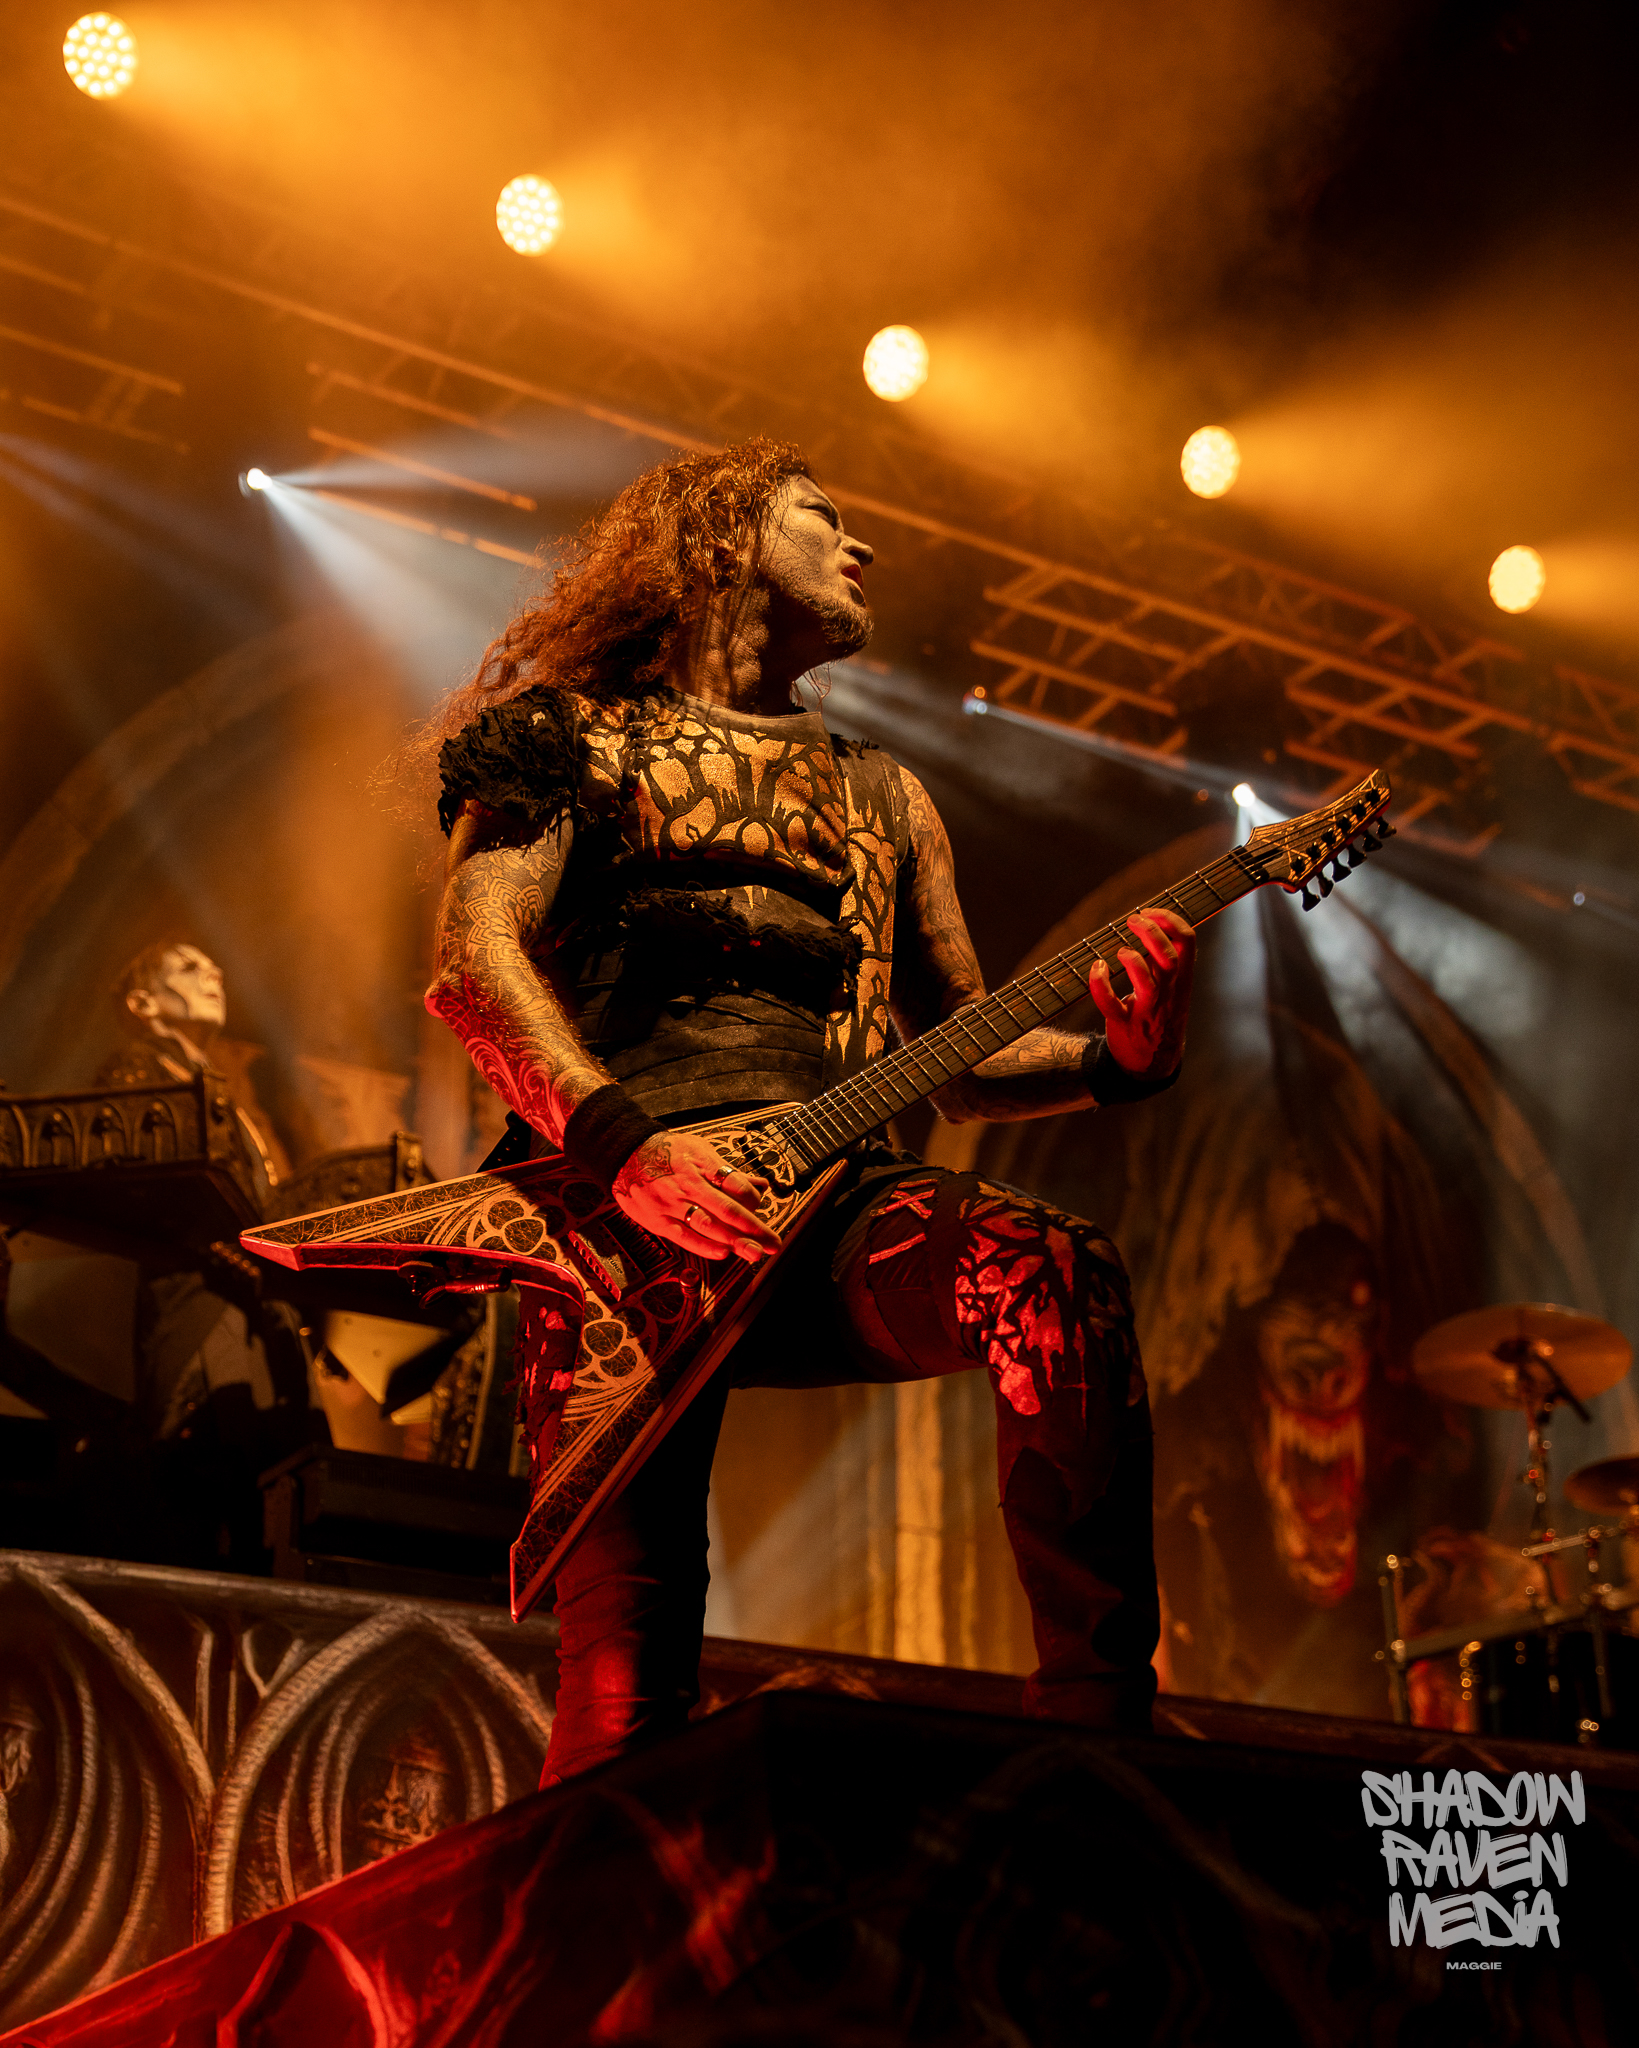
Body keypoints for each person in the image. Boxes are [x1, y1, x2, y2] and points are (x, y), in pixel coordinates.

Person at [422, 439, 1196, 1782]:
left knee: (1056, 1274)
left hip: (835, 1211)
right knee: (623, 1687)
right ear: (720, 546)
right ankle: (602, 1959)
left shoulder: (887, 794)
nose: (865, 546)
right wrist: (625, 1146)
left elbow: (957, 1059)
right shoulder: (566, 743)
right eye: (824, 518)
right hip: (613, 1227)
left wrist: (1120, 1059)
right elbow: (472, 964)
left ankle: (1100, 1752)